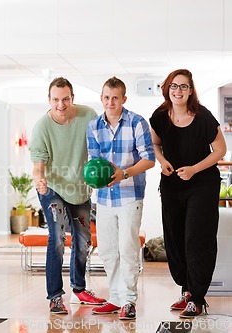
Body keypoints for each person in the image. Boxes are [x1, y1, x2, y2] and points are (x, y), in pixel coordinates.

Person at [149, 69, 226, 318]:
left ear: (191, 90)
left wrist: (194, 169)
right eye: (174, 86)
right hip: (172, 184)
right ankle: (187, 292)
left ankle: (198, 298)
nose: (178, 91)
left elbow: (219, 150)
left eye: (183, 86)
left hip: (202, 183)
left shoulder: (203, 116)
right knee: (176, 239)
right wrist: (162, 161)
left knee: (196, 238)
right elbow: (154, 144)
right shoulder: (160, 116)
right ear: (167, 89)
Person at [29, 77, 106, 315]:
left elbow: (100, 147)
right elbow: (38, 168)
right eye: (55, 100)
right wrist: (39, 180)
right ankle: (55, 296)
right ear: (49, 100)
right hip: (52, 188)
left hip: (80, 188)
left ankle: (79, 289)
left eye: (65, 99)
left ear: (72, 98)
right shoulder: (42, 127)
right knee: (58, 238)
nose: (60, 104)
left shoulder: (88, 116)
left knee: (84, 242)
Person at [86, 76, 155, 320]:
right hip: (104, 197)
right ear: (101, 98)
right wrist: (92, 177)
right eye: (106, 97)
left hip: (129, 195)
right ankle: (115, 298)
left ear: (124, 99)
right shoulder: (93, 126)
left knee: (127, 248)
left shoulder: (137, 123)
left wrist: (123, 173)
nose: (110, 102)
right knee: (106, 250)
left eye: (115, 97)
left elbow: (149, 159)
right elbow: (94, 162)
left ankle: (129, 301)